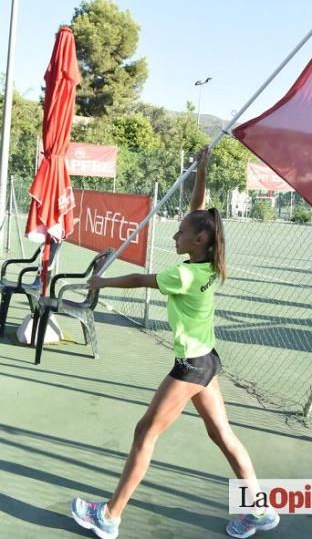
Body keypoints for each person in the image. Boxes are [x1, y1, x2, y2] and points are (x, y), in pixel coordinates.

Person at [70, 146, 279, 539]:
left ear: (199, 240)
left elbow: (140, 280)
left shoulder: (182, 276)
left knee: (144, 434)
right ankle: (260, 511)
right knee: (222, 435)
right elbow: (198, 210)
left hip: (191, 368)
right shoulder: (205, 262)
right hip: (208, 362)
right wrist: (201, 170)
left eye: (180, 232)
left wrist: (101, 282)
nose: (174, 234)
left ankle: (110, 516)